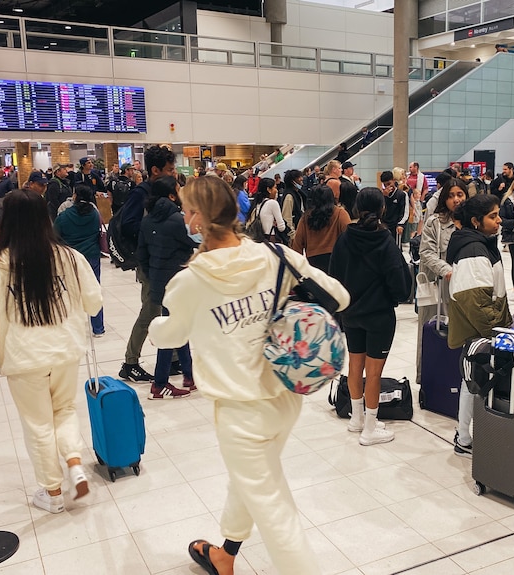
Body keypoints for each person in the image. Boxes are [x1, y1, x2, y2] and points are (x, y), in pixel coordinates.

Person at [146, 176, 349, 575]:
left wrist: (156, 326)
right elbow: (339, 296)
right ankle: (225, 554)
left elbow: (171, 334)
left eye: (188, 210)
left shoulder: (190, 281)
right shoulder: (275, 255)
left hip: (241, 411)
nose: (185, 217)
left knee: (275, 510)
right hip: (286, 396)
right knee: (254, 479)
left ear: (200, 220)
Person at [0, 189, 102, 514]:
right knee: (65, 410)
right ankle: (74, 464)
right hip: (65, 349)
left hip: (24, 357)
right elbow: (94, 300)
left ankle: (53, 492)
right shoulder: (67, 256)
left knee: (38, 423)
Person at [330, 187, 412, 446]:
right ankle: (370, 428)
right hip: (379, 316)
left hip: (351, 314)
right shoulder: (384, 240)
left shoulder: (345, 238)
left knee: (355, 365)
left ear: (356, 208)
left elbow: (334, 276)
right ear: (383, 209)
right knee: (374, 373)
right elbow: (398, 282)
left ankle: (356, 418)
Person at [446, 194, 512, 457]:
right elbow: (478, 306)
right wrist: (499, 332)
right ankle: (464, 437)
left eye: (498, 215)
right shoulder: (473, 250)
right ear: (476, 221)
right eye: (492, 216)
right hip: (480, 334)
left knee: (471, 382)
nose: (498, 221)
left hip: (482, 331)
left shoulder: (482, 243)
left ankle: (464, 436)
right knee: (473, 383)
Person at [119, 145, 177, 383]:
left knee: (172, 308)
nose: (174, 173)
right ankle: (130, 362)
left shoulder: (164, 191)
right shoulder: (140, 193)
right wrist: (152, 239)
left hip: (164, 261)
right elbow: (129, 225)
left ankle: (173, 359)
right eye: (170, 169)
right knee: (150, 311)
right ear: (155, 170)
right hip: (150, 264)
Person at [135, 176, 196, 399]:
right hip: (179, 283)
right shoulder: (178, 220)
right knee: (172, 330)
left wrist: (153, 275)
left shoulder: (147, 220)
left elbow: (141, 254)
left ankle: (189, 375)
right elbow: (198, 242)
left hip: (160, 283)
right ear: (172, 195)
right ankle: (160, 382)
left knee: (178, 327)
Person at [416, 178, 466, 388]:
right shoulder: (434, 222)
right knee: (430, 329)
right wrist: (446, 271)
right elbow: (426, 252)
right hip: (436, 285)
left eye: (460, 195)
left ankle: (458, 378)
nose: (456, 199)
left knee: (460, 332)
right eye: (451, 195)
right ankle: (426, 377)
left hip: (463, 286)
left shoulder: (472, 222)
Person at [54, 184, 106, 337]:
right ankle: (98, 328)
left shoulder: (64, 215)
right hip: (92, 256)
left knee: (70, 292)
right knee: (94, 289)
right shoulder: (95, 214)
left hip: (70, 257)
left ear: (75, 196)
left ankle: (72, 327)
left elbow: (55, 235)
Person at [291, 185, 350, 273]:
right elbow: (349, 237)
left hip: (313, 261)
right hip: (336, 258)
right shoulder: (340, 213)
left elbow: (297, 244)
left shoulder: (306, 217)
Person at [251, 177, 287, 244]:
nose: (276, 190)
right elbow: (281, 227)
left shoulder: (256, 203)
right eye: (275, 187)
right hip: (271, 238)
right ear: (269, 189)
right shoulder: (273, 203)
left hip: (258, 239)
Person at [380, 170, 408, 241]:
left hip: (396, 226)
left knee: (395, 248)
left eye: (389, 183)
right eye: (385, 185)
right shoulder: (381, 195)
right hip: (384, 226)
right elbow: (379, 210)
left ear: (393, 180)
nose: (387, 186)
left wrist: (401, 225)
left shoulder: (402, 194)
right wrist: (384, 197)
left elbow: (405, 212)